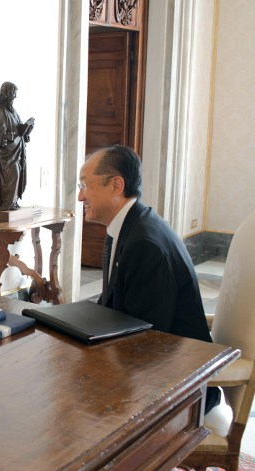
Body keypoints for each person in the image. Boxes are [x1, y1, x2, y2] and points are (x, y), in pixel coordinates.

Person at [78, 144, 222, 416]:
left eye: (85, 184)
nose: (80, 195)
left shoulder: (144, 243)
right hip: (151, 367)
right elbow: (111, 308)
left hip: (183, 385)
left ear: (116, 185)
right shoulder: (127, 226)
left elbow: (147, 340)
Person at [0, 81, 33, 211]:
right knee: (12, 174)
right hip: (8, 154)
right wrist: (17, 133)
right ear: (7, 93)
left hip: (18, 151)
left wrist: (26, 129)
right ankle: (6, 204)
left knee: (18, 174)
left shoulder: (13, 111)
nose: (15, 97)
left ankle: (13, 203)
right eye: (13, 94)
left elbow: (19, 128)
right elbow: (0, 138)